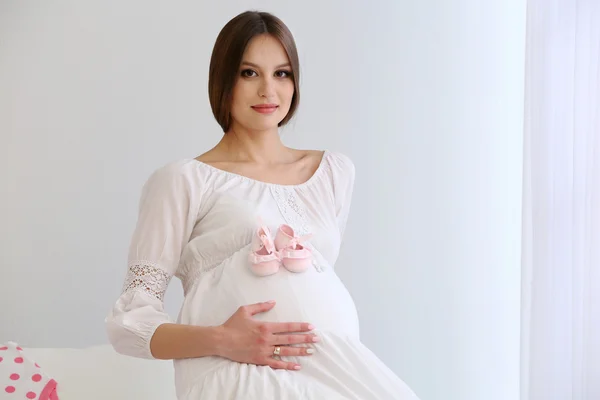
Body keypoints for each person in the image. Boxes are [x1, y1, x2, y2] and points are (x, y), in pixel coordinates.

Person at [105, 10, 420, 400]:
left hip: (338, 370)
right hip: (236, 373)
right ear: (223, 81)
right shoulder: (183, 180)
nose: (268, 91)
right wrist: (222, 340)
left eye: (282, 73)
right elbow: (129, 323)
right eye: (249, 73)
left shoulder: (334, 172)